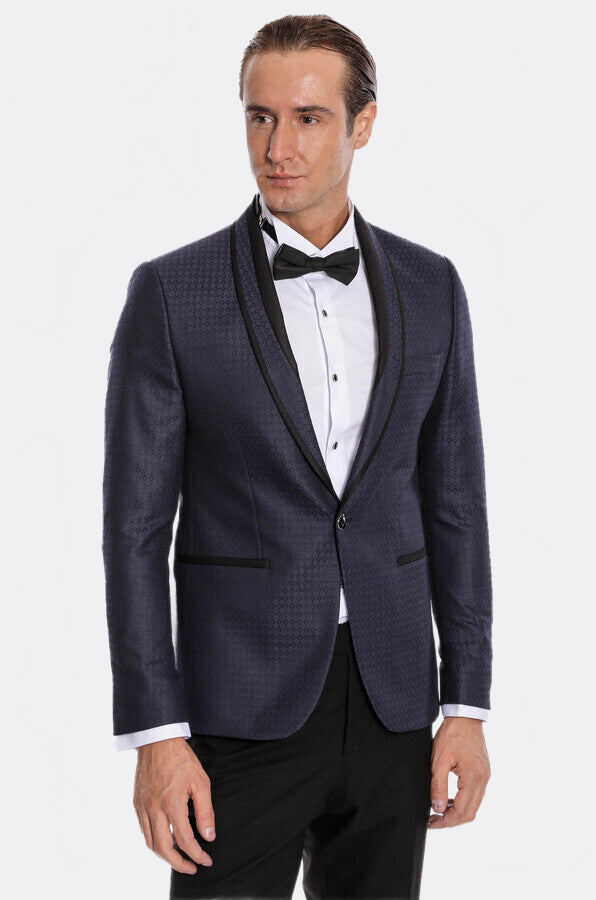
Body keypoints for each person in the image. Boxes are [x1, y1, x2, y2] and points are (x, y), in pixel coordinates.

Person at [102, 13, 493, 900]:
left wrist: (465, 704)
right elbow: (134, 531)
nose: (277, 148)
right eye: (260, 116)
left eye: (309, 118)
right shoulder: (173, 293)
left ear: (363, 124)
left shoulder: (431, 285)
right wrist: (157, 734)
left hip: (395, 703)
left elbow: (457, 505)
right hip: (240, 709)